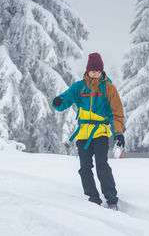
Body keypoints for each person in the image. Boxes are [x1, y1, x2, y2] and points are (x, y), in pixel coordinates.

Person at [52, 52, 125, 210]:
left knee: (102, 165)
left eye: (99, 71)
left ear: (102, 72)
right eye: (93, 71)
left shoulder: (109, 88)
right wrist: (59, 102)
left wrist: (118, 133)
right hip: (83, 133)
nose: (96, 74)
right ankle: (93, 198)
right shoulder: (79, 87)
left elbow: (117, 113)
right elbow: (66, 98)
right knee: (85, 167)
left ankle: (111, 199)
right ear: (87, 71)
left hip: (100, 133)